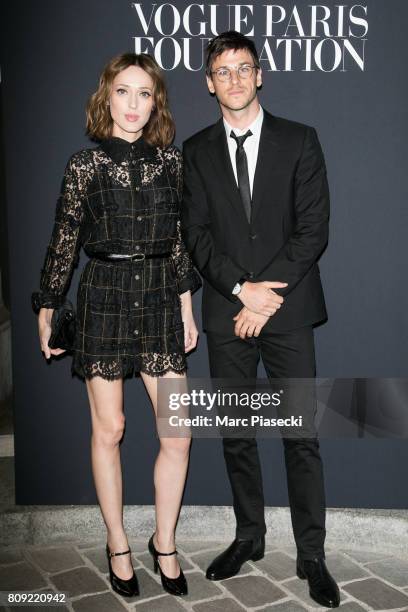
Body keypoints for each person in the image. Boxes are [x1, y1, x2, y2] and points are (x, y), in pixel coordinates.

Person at [31, 52, 201, 599]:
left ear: (157, 103)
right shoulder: (85, 166)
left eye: (144, 93)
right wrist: (46, 307)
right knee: (111, 429)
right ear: (107, 97)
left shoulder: (172, 163)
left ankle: (165, 542)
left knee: (177, 433)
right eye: (123, 91)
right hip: (103, 295)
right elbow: (64, 241)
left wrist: (185, 308)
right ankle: (117, 542)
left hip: (157, 298)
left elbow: (177, 242)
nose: (133, 104)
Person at [181, 31, 340, 608]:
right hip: (228, 314)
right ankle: (249, 537)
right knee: (237, 435)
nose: (234, 80)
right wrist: (238, 290)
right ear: (209, 82)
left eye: (243, 68)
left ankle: (312, 553)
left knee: (302, 436)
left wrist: (264, 296)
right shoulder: (194, 152)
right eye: (222, 71)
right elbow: (195, 234)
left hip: (289, 311)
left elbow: (313, 229)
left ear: (260, 74)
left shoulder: (300, 141)